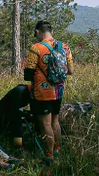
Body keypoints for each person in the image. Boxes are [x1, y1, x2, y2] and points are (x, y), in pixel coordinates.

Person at [23, 20, 75, 161]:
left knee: (45, 124)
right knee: (55, 121)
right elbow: (70, 71)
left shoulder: (36, 48)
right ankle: (57, 149)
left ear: (38, 31)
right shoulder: (64, 46)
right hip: (58, 90)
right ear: (50, 31)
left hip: (42, 92)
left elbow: (28, 74)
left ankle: (49, 156)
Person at [0, 83, 32, 149]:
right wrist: (26, 114)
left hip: (11, 111)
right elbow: (14, 110)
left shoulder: (30, 93)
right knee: (16, 120)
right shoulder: (19, 91)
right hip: (0, 112)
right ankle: (18, 146)